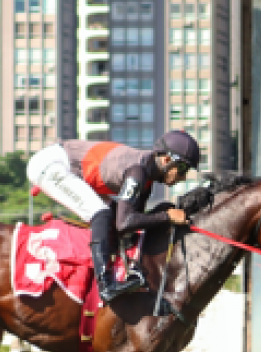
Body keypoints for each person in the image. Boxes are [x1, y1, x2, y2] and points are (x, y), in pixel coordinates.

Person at [26, 130, 200, 303]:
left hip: (73, 167)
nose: (183, 177)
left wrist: (165, 215)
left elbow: (132, 226)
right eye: (183, 168)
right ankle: (106, 285)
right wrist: (167, 216)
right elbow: (125, 223)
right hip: (51, 164)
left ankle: (120, 271)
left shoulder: (146, 179)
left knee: (110, 213)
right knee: (101, 213)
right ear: (166, 159)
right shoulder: (138, 172)